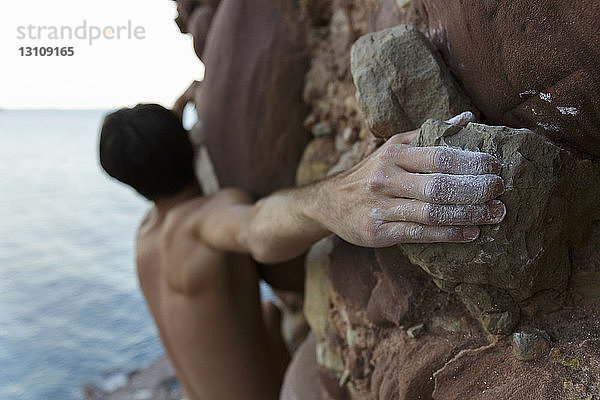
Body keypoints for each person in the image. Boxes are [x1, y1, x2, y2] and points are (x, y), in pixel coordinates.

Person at [99, 103, 506, 399]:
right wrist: (333, 200)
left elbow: (150, 159)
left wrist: (178, 112)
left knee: (270, 312)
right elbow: (254, 226)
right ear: (189, 148)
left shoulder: (146, 236)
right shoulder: (204, 220)